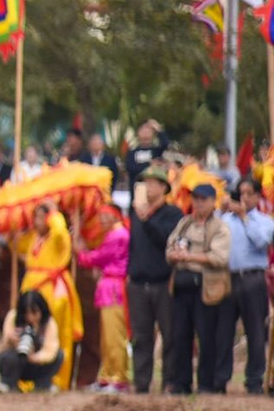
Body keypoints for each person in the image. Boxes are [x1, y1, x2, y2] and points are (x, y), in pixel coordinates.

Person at [163, 183, 231, 396]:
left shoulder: (219, 227)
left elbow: (219, 258)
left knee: (207, 336)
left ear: (213, 202)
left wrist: (190, 257)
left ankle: (206, 383)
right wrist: (174, 255)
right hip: (182, 285)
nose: (199, 203)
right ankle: (181, 383)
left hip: (205, 287)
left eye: (203, 199)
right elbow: (170, 248)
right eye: (196, 198)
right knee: (181, 335)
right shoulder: (185, 223)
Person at [126, 165, 181, 394]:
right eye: (145, 182)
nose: (147, 187)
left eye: (152, 183)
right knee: (140, 336)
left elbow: (166, 240)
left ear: (163, 187)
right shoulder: (136, 214)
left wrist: (147, 221)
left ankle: (169, 381)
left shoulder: (172, 214)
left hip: (162, 282)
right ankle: (141, 382)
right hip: (138, 283)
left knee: (169, 334)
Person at [18, 201, 83, 389]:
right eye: (35, 217)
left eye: (41, 217)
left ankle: (57, 379)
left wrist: (53, 213)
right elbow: (18, 245)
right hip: (32, 285)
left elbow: (62, 234)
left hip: (52, 289)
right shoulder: (33, 237)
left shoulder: (56, 236)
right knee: (29, 330)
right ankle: (27, 379)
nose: (37, 221)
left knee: (55, 331)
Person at [216, 178, 272, 395]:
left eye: (249, 193)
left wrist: (245, 218)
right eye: (241, 193)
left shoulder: (265, 221)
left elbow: (261, 242)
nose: (245, 198)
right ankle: (220, 378)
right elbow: (212, 234)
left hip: (253, 279)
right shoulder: (226, 220)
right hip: (228, 278)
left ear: (258, 196)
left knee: (256, 331)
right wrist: (222, 211)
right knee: (223, 331)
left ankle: (254, 379)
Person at [77, 213, 132, 393]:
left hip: (114, 289)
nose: (101, 220)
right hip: (108, 288)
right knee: (106, 337)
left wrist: (80, 252)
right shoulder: (113, 234)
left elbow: (97, 258)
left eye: (105, 215)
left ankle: (119, 377)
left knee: (114, 336)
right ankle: (108, 375)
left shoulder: (119, 235)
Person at [0, 291, 63, 391]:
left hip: (36, 363)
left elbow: (51, 351)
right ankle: (8, 382)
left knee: (59, 355)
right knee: (8, 357)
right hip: (16, 361)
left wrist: (33, 357)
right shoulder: (13, 317)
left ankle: (42, 384)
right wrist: (10, 340)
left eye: (34, 313)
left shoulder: (49, 324)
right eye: (26, 313)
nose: (30, 317)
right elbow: (0, 349)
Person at [125, 120, 168, 198]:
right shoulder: (132, 152)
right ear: (138, 133)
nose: (145, 132)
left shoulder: (156, 151)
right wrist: (149, 165)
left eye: (148, 130)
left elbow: (165, 143)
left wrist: (158, 129)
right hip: (137, 188)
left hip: (154, 189)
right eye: (143, 130)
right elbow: (131, 168)